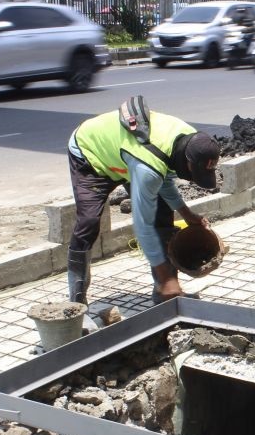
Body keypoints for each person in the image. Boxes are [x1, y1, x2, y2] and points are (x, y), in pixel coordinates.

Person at [66, 99, 220, 305]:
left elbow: (163, 178)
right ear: (188, 162)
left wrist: (187, 214)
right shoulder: (150, 167)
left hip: (130, 157)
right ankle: (77, 305)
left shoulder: (192, 141)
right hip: (91, 154)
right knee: (89, 223)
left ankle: (164, 294)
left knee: (162, 215)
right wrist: (166, 276)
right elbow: (142, 225)